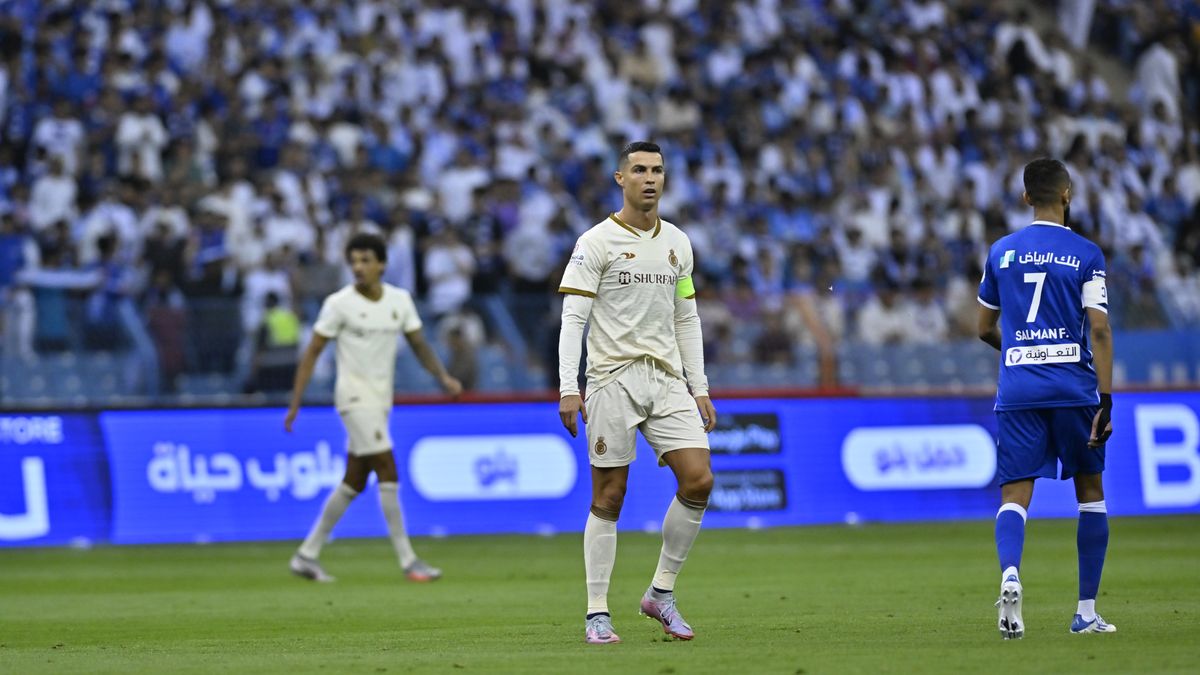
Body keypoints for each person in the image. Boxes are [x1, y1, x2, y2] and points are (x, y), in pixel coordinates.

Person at [557, 141, 717, 644]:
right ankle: (597, 612)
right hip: (611, 379)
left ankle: (660, 593)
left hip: (667, 379)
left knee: (699, 480)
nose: (650, 178)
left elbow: (685, 315)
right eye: (640, 170)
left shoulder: (678, 243)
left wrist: (700, 386)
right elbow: (573, 318)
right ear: (619, 179)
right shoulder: (595, 242)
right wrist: (568, 386)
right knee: (610, 496)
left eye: (658, 170)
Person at [977, 158, 1115, 639]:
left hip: (1018, 388)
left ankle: (1010, 574)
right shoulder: (1087, 254)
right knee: (1090, 494)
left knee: (1015, 495)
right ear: (1068, 195)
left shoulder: (1002, 252)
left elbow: (982, 328)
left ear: (1025, 198)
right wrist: (1106, 396)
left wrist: (1020, 349)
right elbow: (1098, 328)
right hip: (1074, 389)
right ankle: (1085, 612)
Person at [284, 233, 462, 583]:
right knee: (387, 466)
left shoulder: (399, 300)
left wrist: (443, 376)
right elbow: (312, 353)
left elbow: (419, 344)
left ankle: (306, 554)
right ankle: (409, 561)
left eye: (365, 260)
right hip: (352, 398)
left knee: (353, 480)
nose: (358, 267)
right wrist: (295, 402)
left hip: (381, 401)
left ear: (381, 264)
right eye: (354, 261)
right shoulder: (338, 304)